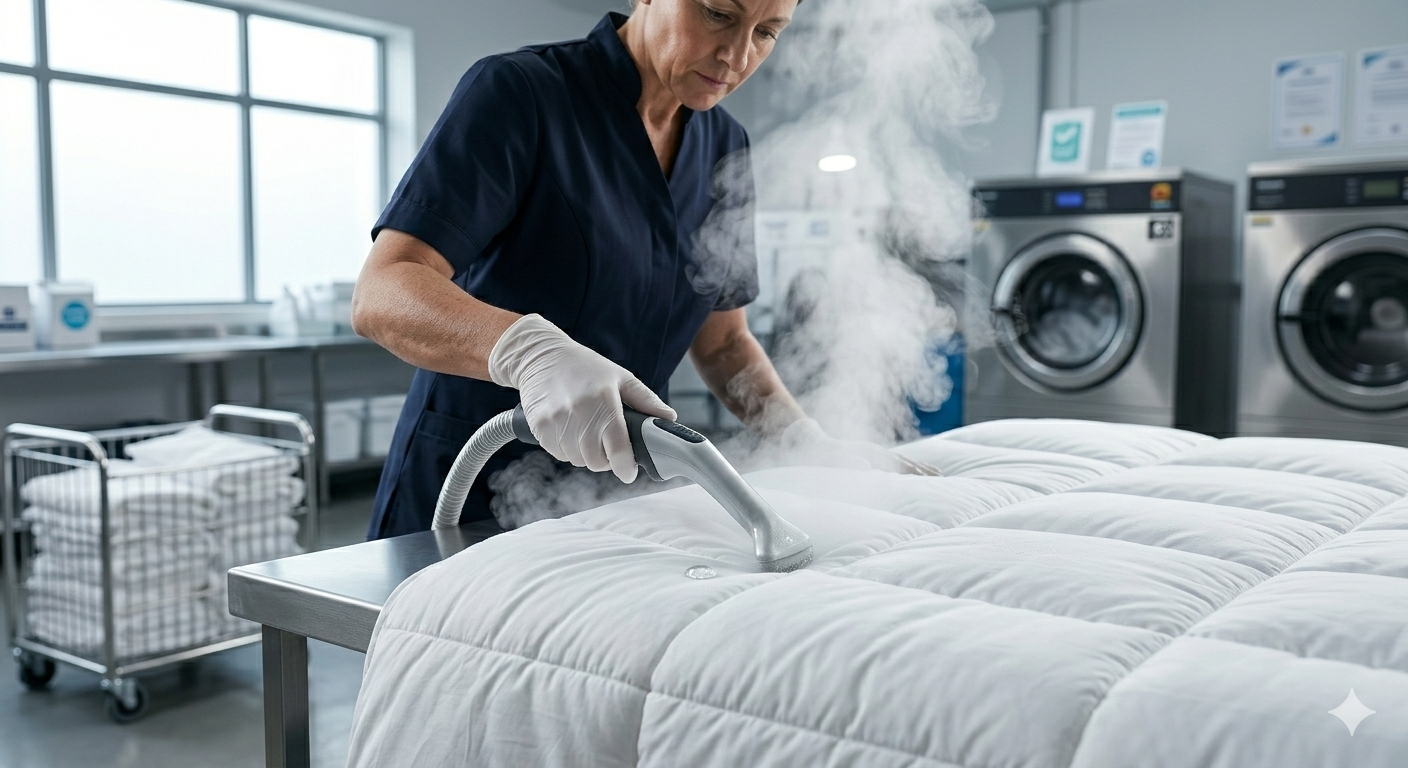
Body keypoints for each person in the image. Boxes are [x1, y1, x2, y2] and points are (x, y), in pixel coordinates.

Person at [352, 0, 934, 539]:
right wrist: (528, 352)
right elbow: (384, 289)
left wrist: (806, 438)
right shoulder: (521, 94)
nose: (737, 56)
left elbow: (726, 343)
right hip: (468, 487)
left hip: (617, 497)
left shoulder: (725, 145)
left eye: (766, 32)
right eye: (717, 14)